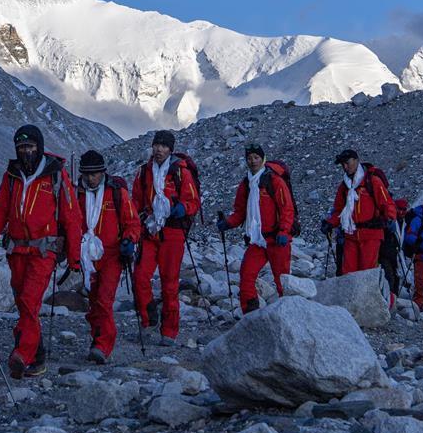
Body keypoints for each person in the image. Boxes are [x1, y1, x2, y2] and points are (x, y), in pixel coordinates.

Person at [0, 125, 82, 379]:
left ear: (39, 146)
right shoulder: (12, 175)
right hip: (16, 249)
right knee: (23, 304)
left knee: (29, 300)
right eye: (21, 147)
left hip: (44, 250)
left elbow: (71, 216)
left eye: (30, 146)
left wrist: (74, 256)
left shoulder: (56, 175)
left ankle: (22, 354)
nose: (25, 151)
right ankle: (38, 357)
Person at [132, 130, 201, 347]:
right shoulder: (144, 173)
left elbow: (193, 201)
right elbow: (135, 202)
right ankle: (148, 318)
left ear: (170, 149)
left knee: (169, 283)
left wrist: (183, 207)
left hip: (173, 233)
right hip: (150, 232)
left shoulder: (180, 172)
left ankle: (169, 330)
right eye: (156, 145)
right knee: (140, 277)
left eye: (163, 146)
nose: (159, 149)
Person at [75, 150, 140, 363]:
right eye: (87, 174)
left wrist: (129, 240)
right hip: (87, 256)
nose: (91, 178)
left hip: (112, 254)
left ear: (103, 172)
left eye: (94, 174)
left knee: (104, 299)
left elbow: (132, 222)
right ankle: (97, 339)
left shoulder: (116, 193)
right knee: (93, 302)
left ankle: (103, 346)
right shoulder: (78, 194)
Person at [217, 144, 295, 313]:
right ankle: (250, 315)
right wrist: (228, 223)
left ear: (263, 158)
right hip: (257, 240)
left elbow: (286, 208)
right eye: (249, 158)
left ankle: (290, 315)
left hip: (276, 239)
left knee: (282, 280)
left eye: (256, 158)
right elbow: (240, 212)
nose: (253, 161)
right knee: (246, 274)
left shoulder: (274, 181)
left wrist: (284, 231)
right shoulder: (247, 184)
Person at [321, 149, 396, 274]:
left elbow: (386, 203)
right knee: (348, 272)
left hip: (371, 234)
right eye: (342, 165)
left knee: (367, 272)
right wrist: (330, 223)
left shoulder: (372, 181)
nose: (345, 167)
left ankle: (372, 294)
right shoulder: (345, 186)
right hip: (351, 235)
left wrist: (390, 217)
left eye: (347, 163)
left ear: (356, 160)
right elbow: (339, 210)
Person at [378, 198, 409, 304]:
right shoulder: (390, 222)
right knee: (389, 277)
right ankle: (389, 302)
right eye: (399, 209)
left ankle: (393, 301)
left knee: (396, 278)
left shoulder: (404, 222)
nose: (401, 212)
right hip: (385, 254)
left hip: (396, 254)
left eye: (404, 210)